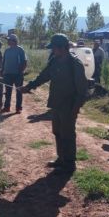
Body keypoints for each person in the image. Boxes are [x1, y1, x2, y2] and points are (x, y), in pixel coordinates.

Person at [19, 34, 88, 174]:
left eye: (54, 48)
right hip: (56, 103)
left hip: (69, 106)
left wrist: (75, 109)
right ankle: (61, 158)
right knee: (57, 131)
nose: (52, 51)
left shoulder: (75, 64)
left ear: (62, 48)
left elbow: (82, 91)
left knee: (68, 133)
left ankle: (69, 163)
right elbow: (43, 76)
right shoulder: (54, 61)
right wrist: (29, 86)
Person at [1, 34, 27, 113]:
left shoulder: (20, 50)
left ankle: (18, 108)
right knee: (8, 91)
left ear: (13, 41)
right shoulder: (7, 50)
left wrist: (21, 72)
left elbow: (25, 62)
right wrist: (2, 72)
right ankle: (7, 107)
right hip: (7, 74)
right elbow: (4, 62)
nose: (7, 41)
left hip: (17, 75)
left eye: (9, 40)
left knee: (19, 91)